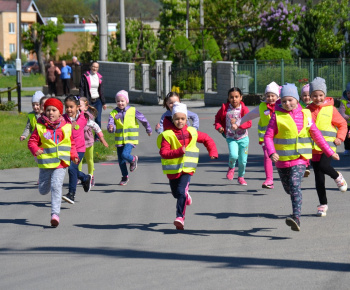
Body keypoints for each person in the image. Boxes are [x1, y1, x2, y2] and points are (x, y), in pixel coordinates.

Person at [264, 83, 339, 231]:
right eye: (284, 101)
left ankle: (296, 217)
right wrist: (272, 152)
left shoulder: (306, 114)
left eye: (290, 100)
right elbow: (268, 136)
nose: (287, 103)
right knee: (289, 188)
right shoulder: (276, 116)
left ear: (297, 100)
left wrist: (329, 152)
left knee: (294, 184)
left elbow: (316, 135)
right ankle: (295, 206)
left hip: (300, 159)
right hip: (282, 161)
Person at [157, 102, 218, 230]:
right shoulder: (167, 135)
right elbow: (163, 152)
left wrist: (213, 152)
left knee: (180, 192)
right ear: (172, 119)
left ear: (187, 119)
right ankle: (185, 196)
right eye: (177, 119)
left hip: (187, 169)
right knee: (176, 193)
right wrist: (178, 151)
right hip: (173, 171)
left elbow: (207, 139)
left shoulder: (192, 132)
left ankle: (180, 217)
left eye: (183, 119)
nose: (180, 121)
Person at [27, 98, 79, 227]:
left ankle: (55, 214)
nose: (51, 112)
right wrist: (35, 149)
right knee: (43, 190)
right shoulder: (40, 127)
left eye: (54, 110)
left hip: (60, 164)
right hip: (45, 164)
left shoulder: (66, 127)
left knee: (57, 187)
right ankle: (46, 183)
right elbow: (32, 142)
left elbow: (71, 143)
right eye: (48, 110)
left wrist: (74, 155)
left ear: (60, 113)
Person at [307, 77, 347, 217]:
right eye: (314, 95)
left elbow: (342, 124)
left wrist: (340, 138)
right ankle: (322, 205)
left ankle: (337, 176)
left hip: (329, 146)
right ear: (310, 96)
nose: (318, 98)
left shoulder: (331, 109)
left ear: (325, 95)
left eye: (321, 95)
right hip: (313, 148)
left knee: (324, 166)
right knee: (319, 178)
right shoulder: (307, 111)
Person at [239, 81, 280, 189]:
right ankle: (269, 179)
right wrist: (239, 122)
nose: (270, 98)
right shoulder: (262, 107)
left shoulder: (282, 105)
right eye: (268, 96)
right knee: (268, 157)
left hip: (281, 138)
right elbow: (250, 115)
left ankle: (289, 175)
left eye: (273, 96)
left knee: (282, 159)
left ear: (277, 96)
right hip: (267, 139)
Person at [107, 90, 152, 185]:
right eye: (118, 101)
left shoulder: (133, 110)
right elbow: (111, 124)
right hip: (120, 139)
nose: (120, 103)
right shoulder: (113, 113)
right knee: (121, 160)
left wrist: (148, 129)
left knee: (124, 154)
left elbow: (143, 119)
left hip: (131, 138)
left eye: (122, 101)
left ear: (127, 101)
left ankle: (133, 159)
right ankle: (124, 177)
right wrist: (111, 128)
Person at [214, 87, 252, 185]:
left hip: (243, 138)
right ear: (228, 98)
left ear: (241, 98)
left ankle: (241, 177)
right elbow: (217, 119)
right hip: (231, 137)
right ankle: (231, 168)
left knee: (243, 161)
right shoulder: (225, 108)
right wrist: (219, 127)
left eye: (236, 97)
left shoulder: (244, 109)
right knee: (234, 155)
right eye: (231, 97)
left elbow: (249, 123)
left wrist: (238, 124)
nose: (234, 99)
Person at [62, 95, 93, 204]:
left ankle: (71, 194)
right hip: (67, 149)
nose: (69, 109)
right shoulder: (63, 119)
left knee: (71, 169)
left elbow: (92, 119)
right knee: (71, 169)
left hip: (79, 149)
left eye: (71, 107)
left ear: (77, 107)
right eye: (67, 107)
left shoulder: (83, 118)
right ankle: (85, 178)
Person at [78, 97, 109, 186]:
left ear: (86, 107)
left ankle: (91, 176)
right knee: (78, 160)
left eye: (80, 105)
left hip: (88, 142)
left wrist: (102, 139)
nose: (78, 107)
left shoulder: (86, 118)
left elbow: (97, 128)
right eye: (77, 105)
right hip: (78, 144)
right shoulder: (74, 118)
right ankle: (79, 176)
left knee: (89, 160)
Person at [79, 61, 106, 140]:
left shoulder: (100, 77)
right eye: (93, 66)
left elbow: (102, 90)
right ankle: (87, 137)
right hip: (88, 101)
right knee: (88, 119)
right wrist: (82, 100)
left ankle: (97, 138)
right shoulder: (85, 76)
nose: (95, 68)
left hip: (97, 101)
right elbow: (81, 88)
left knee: (98, 119)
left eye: (97, 67)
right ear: (90, 67)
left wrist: (103, 102)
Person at [338, 82, 350, 155]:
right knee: (346, 137)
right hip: (346, 122)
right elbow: (341, 111)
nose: (349, 95)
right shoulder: (344, 101)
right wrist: (345, 116)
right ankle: (347, 148)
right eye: (348, 93)